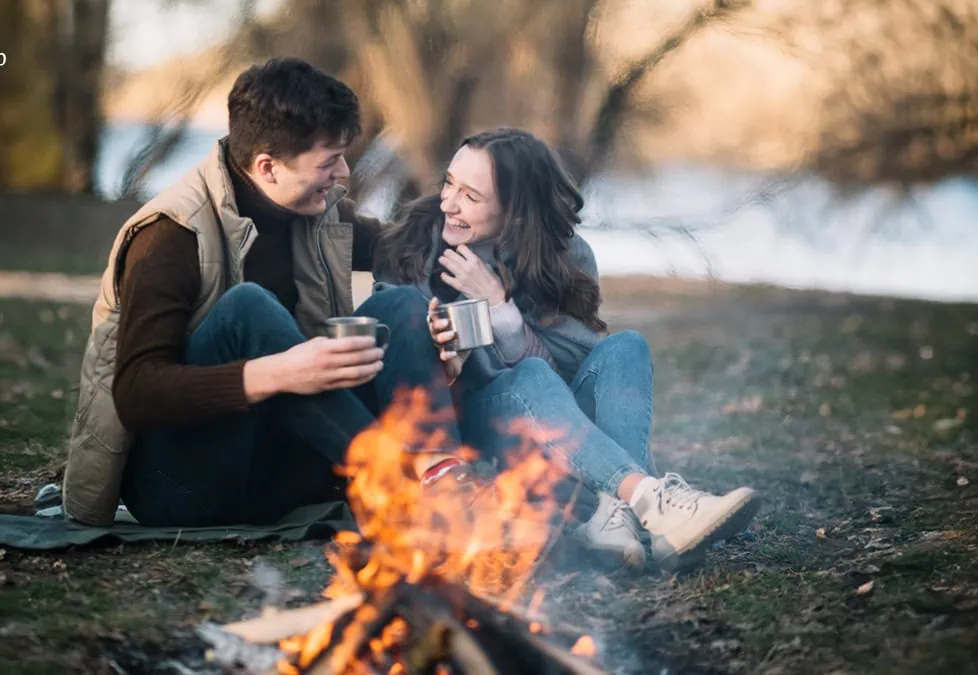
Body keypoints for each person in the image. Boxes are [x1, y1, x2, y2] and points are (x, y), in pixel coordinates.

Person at [61, 58, 473, 529]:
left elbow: (403, 248)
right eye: (329, 160)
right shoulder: (171, 235)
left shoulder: (318, 214)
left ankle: (440, 475)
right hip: (181, 486)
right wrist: (275, 373)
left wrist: (469, 217)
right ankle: (395, 485)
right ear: (267, 166)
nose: (343, 172)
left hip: (279, 469)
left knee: (401, 306)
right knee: (247, 309)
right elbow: (136, 392)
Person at [373, 128, 761, 572]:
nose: (448, 204)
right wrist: (447, 353)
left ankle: (614, 521)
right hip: (479, 430)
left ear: (516, 211)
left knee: (626, 347)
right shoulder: (414, 245)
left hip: (556, 424)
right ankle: (648, 499)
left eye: (470, 196)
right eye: (449, 183)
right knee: (530, 377)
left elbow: (574, 373)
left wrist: (501, 309)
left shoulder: (566, 254)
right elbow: (405, 367)